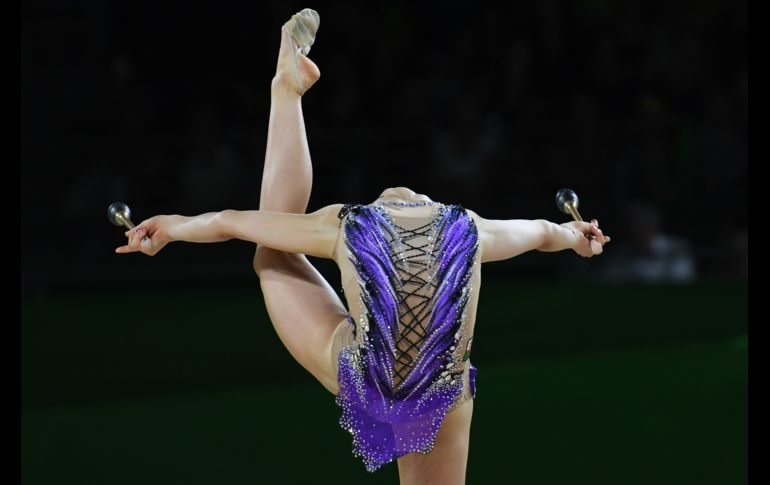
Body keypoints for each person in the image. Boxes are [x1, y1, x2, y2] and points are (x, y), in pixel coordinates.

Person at [115, 9, 610, 484]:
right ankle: (285, 89)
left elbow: (236, 222)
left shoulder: (351, 224)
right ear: (430, 204)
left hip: (370, 381)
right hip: (440, 394)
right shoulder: (469, 227)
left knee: (273, 255)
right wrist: (579, 238)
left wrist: (170, 228)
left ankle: (285, 91)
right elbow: (544, 232)